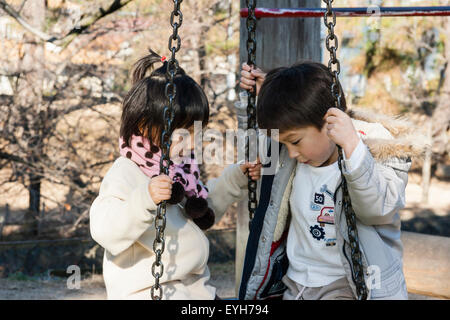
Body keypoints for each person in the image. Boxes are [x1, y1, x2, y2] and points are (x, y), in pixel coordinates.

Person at [238, 61, 424, 300]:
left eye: (295, 142)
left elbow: (377, 210)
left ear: (329, 123)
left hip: (350, 286)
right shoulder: (292, 159)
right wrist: (264, 96)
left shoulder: (372, 153)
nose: (291, 152)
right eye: (285, 144)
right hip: (295, 283)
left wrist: (354, 151)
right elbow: (261, 138)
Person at [89, 49, 261, 300]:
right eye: (184, 134)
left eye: (197, 133)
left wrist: (235, 178)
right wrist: (145, 200)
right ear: (145, 125)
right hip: (147, 293)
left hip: (194, 290)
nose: (191, 144)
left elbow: (201, 210)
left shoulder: (180, 168)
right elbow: (104, 230)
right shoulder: (126, 172)